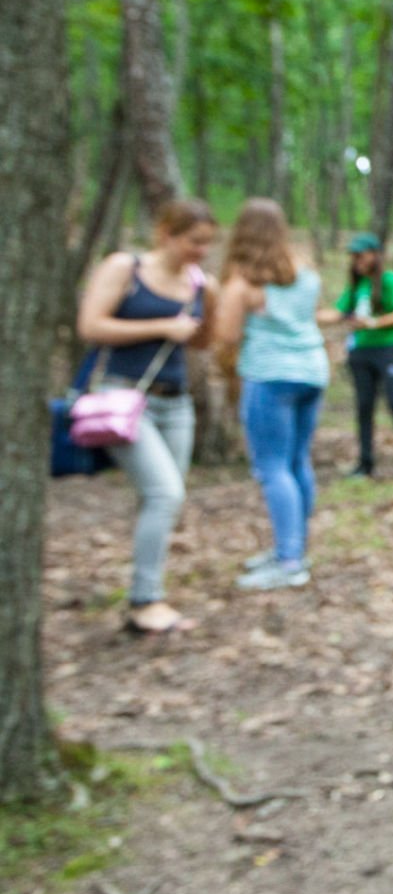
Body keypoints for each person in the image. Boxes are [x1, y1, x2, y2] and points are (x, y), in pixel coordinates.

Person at [76, 198, 219, 636]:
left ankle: (147, 588)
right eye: (194, 241)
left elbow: (202, 342)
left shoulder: (199, 283)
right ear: (166, 234)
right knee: (165, 493)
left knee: (160, 497)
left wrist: (208, 310)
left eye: (207, 243)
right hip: (121, 397)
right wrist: (160, 326)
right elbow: (91, 326)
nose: (201, 251)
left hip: (175, 403)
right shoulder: (126, 268)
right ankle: (145, 601)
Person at [214, 198, 330, 591]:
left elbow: (226, 334)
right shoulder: (305, 272)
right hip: (312, 371)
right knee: (297, 461)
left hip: (270, 375)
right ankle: (293, 547)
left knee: (272, 467)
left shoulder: (244, 283)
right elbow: (310, 314)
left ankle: (289, 560)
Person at [320, 231, 393, 479]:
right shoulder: (357, 286)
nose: (357, 260)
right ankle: (365, 463)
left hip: (389, 349)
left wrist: (373, 323)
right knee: (364, 406)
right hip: (360, 351)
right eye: (354, 255)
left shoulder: (391, 280)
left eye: (361, 254)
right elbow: (337, 313)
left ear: (375, 255)